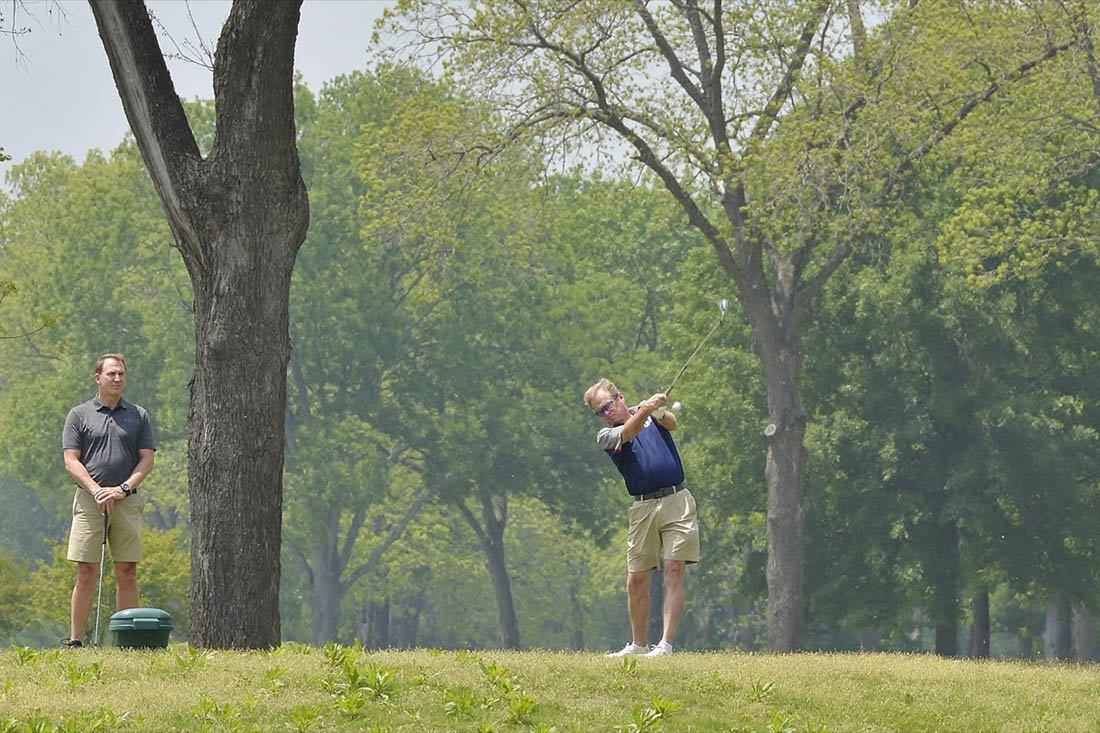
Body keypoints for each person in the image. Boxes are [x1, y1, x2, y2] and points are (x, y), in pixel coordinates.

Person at [584, 378, 700, 657]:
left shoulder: (647, 413)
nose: (606, 413)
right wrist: (647, 409)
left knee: (674, 569)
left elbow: (672, 423)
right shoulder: (607, 435)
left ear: (620, 397)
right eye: (600, 411)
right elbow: (629, 432)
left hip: (677, 500)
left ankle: (665, 645)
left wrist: (658, 409)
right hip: (643, 508)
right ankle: (638, 645)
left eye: (608, 406)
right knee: (636, 580)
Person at [60, 354, 155, 648]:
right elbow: (70, 460)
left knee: (127, 571)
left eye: (121, 374)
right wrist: (96, 490)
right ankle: (76, 640)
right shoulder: (79, 415)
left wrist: (122, 489)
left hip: (126, 500)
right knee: (86, 571)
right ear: (97, 377)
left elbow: (146, 459)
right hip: (89, 501)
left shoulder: (138, 415)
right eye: (111, 374)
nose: (117, 378)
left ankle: (128, 641)